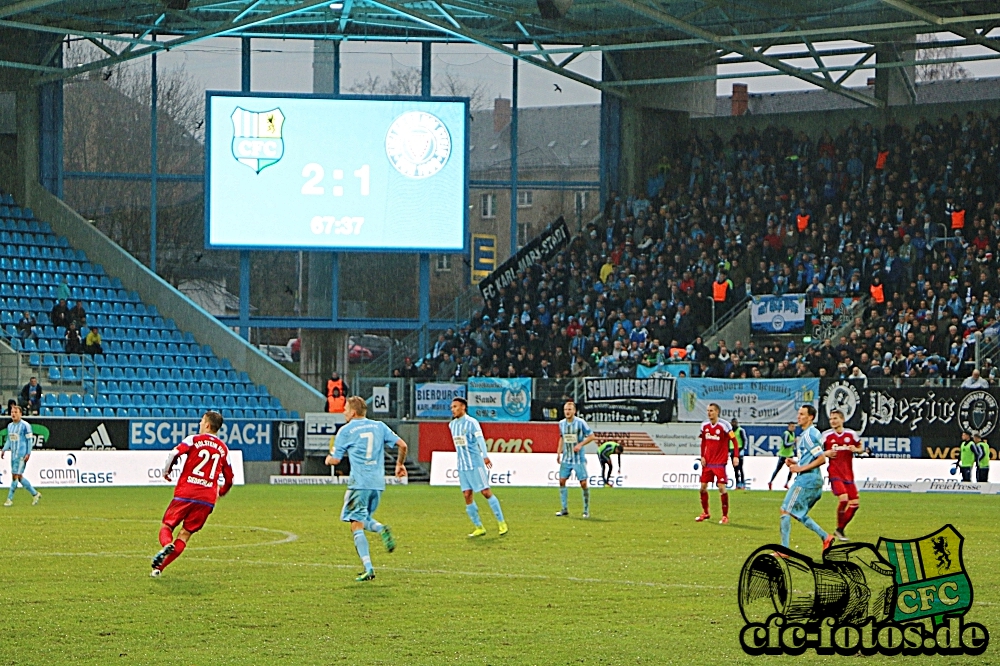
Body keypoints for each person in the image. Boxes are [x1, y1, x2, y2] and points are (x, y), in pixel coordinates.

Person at [325, 396, 406, 581]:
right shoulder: (379, 426)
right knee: (364, 518)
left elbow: (336, 459)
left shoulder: (346, 430)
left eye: (345, 409)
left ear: (353, 412)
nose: (343, 412)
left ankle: (369, 568)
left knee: (355, 523)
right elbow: (403, 445)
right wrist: (399, 465)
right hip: (377, 484)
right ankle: (381, 528)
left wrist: (328, 459)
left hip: (359, 484)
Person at [151, 411, 234, 577]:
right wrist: (221, 492)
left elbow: (174, 453)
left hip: (186, 492)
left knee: (167, 526)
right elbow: (229, 478)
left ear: (208, 425)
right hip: (207, 499)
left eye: (202, 421)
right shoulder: (224, 449)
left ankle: (167, 544)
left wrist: (167, 472)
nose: (200, 423)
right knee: (185, 534)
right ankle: (158, 570)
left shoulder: (194, 439)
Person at [448, 397, 508, 537]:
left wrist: (485, 455)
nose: (453, 410)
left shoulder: (472, 423)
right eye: (452, 407)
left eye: (455, 407)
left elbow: (480, 439)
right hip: (462, 466)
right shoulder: (452, 425)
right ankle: (479, 527)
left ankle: (501, 523)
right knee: (467, 495)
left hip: (475, 464)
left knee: (486, 492)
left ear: (463, 407)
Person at [779, 405, 834, 552]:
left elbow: (821, 459)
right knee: (798, 513)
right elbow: (813, 458)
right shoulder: (810, 434)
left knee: (785, 510)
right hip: (813, 481)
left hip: (806, 480)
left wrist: (799, 469)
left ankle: (784, 550)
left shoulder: (809, 436)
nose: (799, 417)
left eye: (802, 414)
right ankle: (826, 537)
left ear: (810, 417)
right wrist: (796, 462)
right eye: (798, 414)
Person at [822, 409, 864, 541]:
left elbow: (861, 448)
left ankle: (840, 529)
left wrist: (856, 450)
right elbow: (815, 451)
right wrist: (826, 453)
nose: (833, 421)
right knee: (844, 499)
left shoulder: (851, 434)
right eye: (831, 419)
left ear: (842, 419)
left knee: (855, 504)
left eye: (835, 418)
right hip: (834, 473)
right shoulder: (826, 436)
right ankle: (840, 530)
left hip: (848, 475)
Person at [555, 400, 596, 518]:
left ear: (574, 411)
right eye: (565, 410)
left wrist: (580, 444)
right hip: (566, 457)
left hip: (578, 458)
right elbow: (562, 438)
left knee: (583, 483)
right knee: (562, 481)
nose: (567, 412)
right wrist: (558, 452)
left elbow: (592, 436)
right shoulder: (561, 423)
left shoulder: (580, 423)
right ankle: (564, 509)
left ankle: (586, 510)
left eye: (569, 410)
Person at [696, 403, 734, 524]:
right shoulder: (704, 426)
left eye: (711, 410)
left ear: (717, 412)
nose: (709, 413)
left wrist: (736, 456)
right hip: (708, 463)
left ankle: (725, 516)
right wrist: (702, 456)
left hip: (719, 462)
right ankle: (705, 512)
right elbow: (703, 442)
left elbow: (735, 441)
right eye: (708, 411)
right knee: (702, 488)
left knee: (722, 488)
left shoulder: (725, 425)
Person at [2, 405, 41, 506]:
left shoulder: (25, 426)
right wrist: (4, 449)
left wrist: (28, 453)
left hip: (21, 455)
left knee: (15, 476)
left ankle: (9, 499)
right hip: (13, 455)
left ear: (20, 414)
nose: (13, 414)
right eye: (12, 412)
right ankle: (35, 493)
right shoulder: (10, 426)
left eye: (15, 412)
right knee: (19, 477)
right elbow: (9, 440)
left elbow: (29, 441)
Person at [768, 422, 796, 490]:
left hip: (790, 454)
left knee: (792, 469)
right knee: (778, 469)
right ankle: (770, 482)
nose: (793, 428)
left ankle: (787, 483)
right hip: (783, 455)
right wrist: (793, 442)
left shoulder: (793, 434)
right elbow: (786, 444)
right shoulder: (786, 434)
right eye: (792, 426)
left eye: (794, 426)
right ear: (789, 427)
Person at [730, 417, 747, 490]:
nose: (734, 424)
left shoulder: (740, 430)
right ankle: (737, 483)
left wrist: (742, 449)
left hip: (739, 450)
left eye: (735, 423)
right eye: (733, 423)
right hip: (732, 450)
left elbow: (744, 440)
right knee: (735, 469)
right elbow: (729, 440)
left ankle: (743, 483)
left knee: (740, 468)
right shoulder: (730, 431)